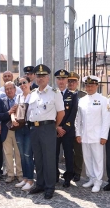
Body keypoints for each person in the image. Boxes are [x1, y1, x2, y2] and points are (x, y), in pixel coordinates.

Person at [27, 64, 65, 199]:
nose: (40, 78)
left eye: (43, 76)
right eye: (38, 76)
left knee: (49, 158)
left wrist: (54, 126)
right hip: (34, 128)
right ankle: (40, 184)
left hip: (48, 127)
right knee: (38, 158)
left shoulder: (55, 93)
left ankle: (50, 187)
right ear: (35, 77)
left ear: (48, 77)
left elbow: (61, 113)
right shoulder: (32, 93)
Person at [75, 76, 110, 193]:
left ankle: (98, 181)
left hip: (97, 136)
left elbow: (106, 119)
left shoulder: (103, 100)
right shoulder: (82, 100)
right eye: (87, 85)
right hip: (85, 135)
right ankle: (91, 178)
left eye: (92, 85)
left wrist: (104, 136)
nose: (89, 87)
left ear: (97, 86)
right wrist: (78, 133)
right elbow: (78, 119)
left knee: (97, 159)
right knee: (87, 158)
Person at [55, 70, 78, 188]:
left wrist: (64, 128)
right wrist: (57, 127)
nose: (61, 81)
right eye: (59, 79)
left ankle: (68, 177)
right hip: (55, 129)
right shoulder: (53, 94)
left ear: (67, 81)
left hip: (67, 131)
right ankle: (55, 175)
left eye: (63, 79)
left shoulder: (72, 95)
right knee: (54, 154)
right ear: (56, 80)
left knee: (69, 154)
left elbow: (73, 114)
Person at [0, 82, 23, 183]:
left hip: (18, 130)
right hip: (6, 130)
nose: (9, 91)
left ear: (15, 89)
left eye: (10, 88)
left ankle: (20, 174)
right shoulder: (1, 101)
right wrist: (9, 112)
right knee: (8, 153)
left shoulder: (20, 99)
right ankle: (10, 174)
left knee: (18, 153)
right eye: (6, 89)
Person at [13, 76, 35, 191]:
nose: (22, 85)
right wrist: (12, 119)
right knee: (22, 154)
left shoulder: (34, 96)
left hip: (29, 128)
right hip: (19, 128)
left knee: (28, 155)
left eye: (24, 82)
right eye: (20, 83)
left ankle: (31, 180)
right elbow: (13, 111)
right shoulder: (18, 96)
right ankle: (25, 178)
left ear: (30, 83)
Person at [71, 76, 87, 182]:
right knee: (68, 151)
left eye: (74, 81)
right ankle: (70, 171)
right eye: (69, 81)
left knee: (78, 152)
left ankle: (77, 172)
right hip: (68, 127)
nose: (71, 83)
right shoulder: (62, 94)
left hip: (79, 127)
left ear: (78, 82)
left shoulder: (83, 95)